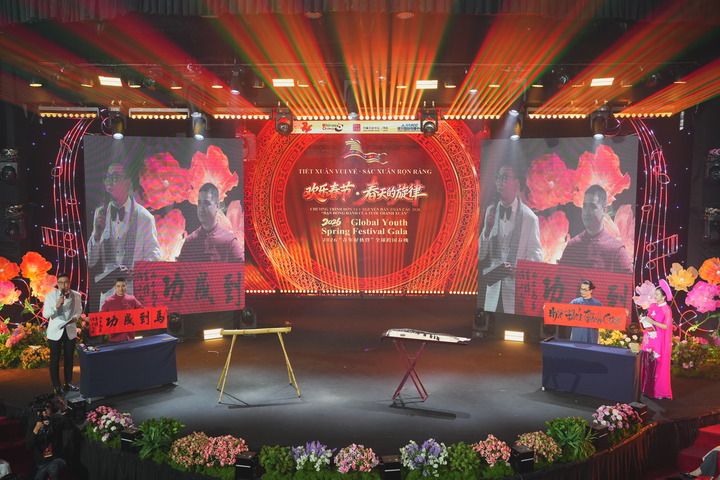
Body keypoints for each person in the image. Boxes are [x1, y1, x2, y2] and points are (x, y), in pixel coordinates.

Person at [87, 162, 161, 310]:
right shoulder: (101, 213)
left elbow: (154, 256)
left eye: (115, 177)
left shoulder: (144, 217)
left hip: (133, 293)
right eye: (107, 177)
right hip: (108, 294)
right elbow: (91, 260)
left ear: (128, 182)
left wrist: (137, 271)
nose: (110, 181)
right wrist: (97, 234)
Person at [479, 161, 542, 314]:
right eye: (498, 177)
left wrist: (519, 270)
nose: (500, 182)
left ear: (517, 184)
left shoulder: (529, 218)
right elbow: (481, 254)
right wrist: (486, 230)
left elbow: (536, 256)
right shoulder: (491, 211)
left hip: (514, 292)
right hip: (492, 289)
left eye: (505, 177)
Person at [558, 184, 633, 274]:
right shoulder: (572, 247)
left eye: (593, 206)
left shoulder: (616, 250)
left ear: (604, 210)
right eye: (585, 206)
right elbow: (560, 278)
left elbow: (629, 281)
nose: (586, 212)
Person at [177, 182, 244, 262]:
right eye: (199, 203)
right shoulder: (190, 242)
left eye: (206, 203)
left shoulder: (229, 242)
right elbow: (179, 269)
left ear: (217, 206)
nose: (201, 208)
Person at [42, 273, 82, 395]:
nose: (64, 285)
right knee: (55, 359)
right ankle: (56, 386)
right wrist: (56, 306)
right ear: (57, 284)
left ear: (69, 283)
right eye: (61, 283)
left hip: (70, 330)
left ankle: (68, 383)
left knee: (69, 358)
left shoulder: (76, 295)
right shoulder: (50, 296)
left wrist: (75, 318)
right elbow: (45, 314)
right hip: (55, 332)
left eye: (66, 282)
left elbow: (79, 311)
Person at [640, 279, 673, 400]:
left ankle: (658, 391)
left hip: (659, 340)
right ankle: (645, 388)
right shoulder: (652, 306)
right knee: (647, 363)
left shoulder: (666, 310)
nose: (655, 296)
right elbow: (649, 321)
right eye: (655, 294)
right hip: (649, 338)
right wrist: (644, 320)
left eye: (657, 294)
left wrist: (652, 322)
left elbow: (667, 326)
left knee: (657, 364)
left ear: (664, 297)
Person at [27, 397, 66, 480]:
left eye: (47, 407)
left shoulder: (56, 420)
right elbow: (29, 446)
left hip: (56, 458)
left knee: (53, 468)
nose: (44, 411)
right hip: (41, 463)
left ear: (52, 409)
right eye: (42, 409)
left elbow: (67, 421)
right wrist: (36, 429)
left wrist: (63, 409)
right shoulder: (34, 425)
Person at [99, 277, 143, 342]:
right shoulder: (109, 301)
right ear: (115, 287)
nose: (121, 289)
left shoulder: (132, 299)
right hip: (114, 339)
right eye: (118, 286)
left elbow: (142, 311)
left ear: (126, 286)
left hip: (130, 337)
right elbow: (101, 316)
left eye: (123, 286)